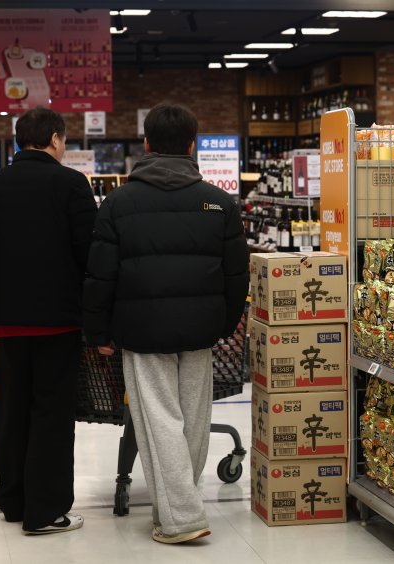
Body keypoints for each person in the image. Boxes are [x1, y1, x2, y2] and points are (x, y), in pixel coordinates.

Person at [83, 103, 249, 544]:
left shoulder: (118, 203)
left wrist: (98, 332)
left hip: (141, 330)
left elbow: (100, 275)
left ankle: (180, 518)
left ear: (146, 144)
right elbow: (237, 275)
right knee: (193, 419)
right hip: (201, 331)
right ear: (193, 145)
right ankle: (179, 506)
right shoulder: (219, 203)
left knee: (159, 422)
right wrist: (226, 323)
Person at [0, 108, 97, 534]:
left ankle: (13, 501)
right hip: (57, 318)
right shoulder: (71, 184)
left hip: (5, 318)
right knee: (51, 414)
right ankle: (46, 510)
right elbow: (88, 252)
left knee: (9, 412)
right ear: (56, 139)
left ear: (20, 139)